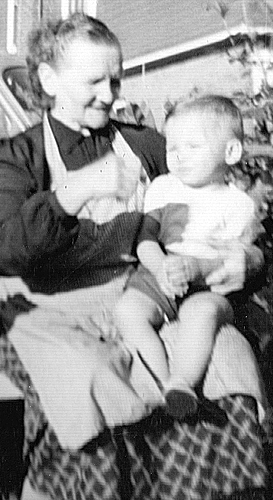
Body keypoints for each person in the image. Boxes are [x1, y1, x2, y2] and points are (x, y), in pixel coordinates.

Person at [0, 14, 267, 500]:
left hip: (143, 299)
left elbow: (225, 207)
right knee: (93, 379)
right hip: (47, 312)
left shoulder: (147, 147)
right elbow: (5, 249)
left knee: (223, 358)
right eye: (94, 81)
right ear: (49, 80)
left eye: (115, 79)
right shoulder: (16, 156)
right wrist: (75, 191)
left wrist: (252, 259)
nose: (111, 95)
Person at [115, 95, 259, 419]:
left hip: (208, 286)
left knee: (204, 313)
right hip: (159, 274)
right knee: (128, 310)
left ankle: (182, 382)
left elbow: (240, 260)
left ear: (231, 152)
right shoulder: (164, 188)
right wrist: (160, 265)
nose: (178, 157)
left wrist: (201, 269)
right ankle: (162, 382)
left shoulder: (238, 204)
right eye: (172, 148)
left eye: (192, 147)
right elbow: (146, 239)